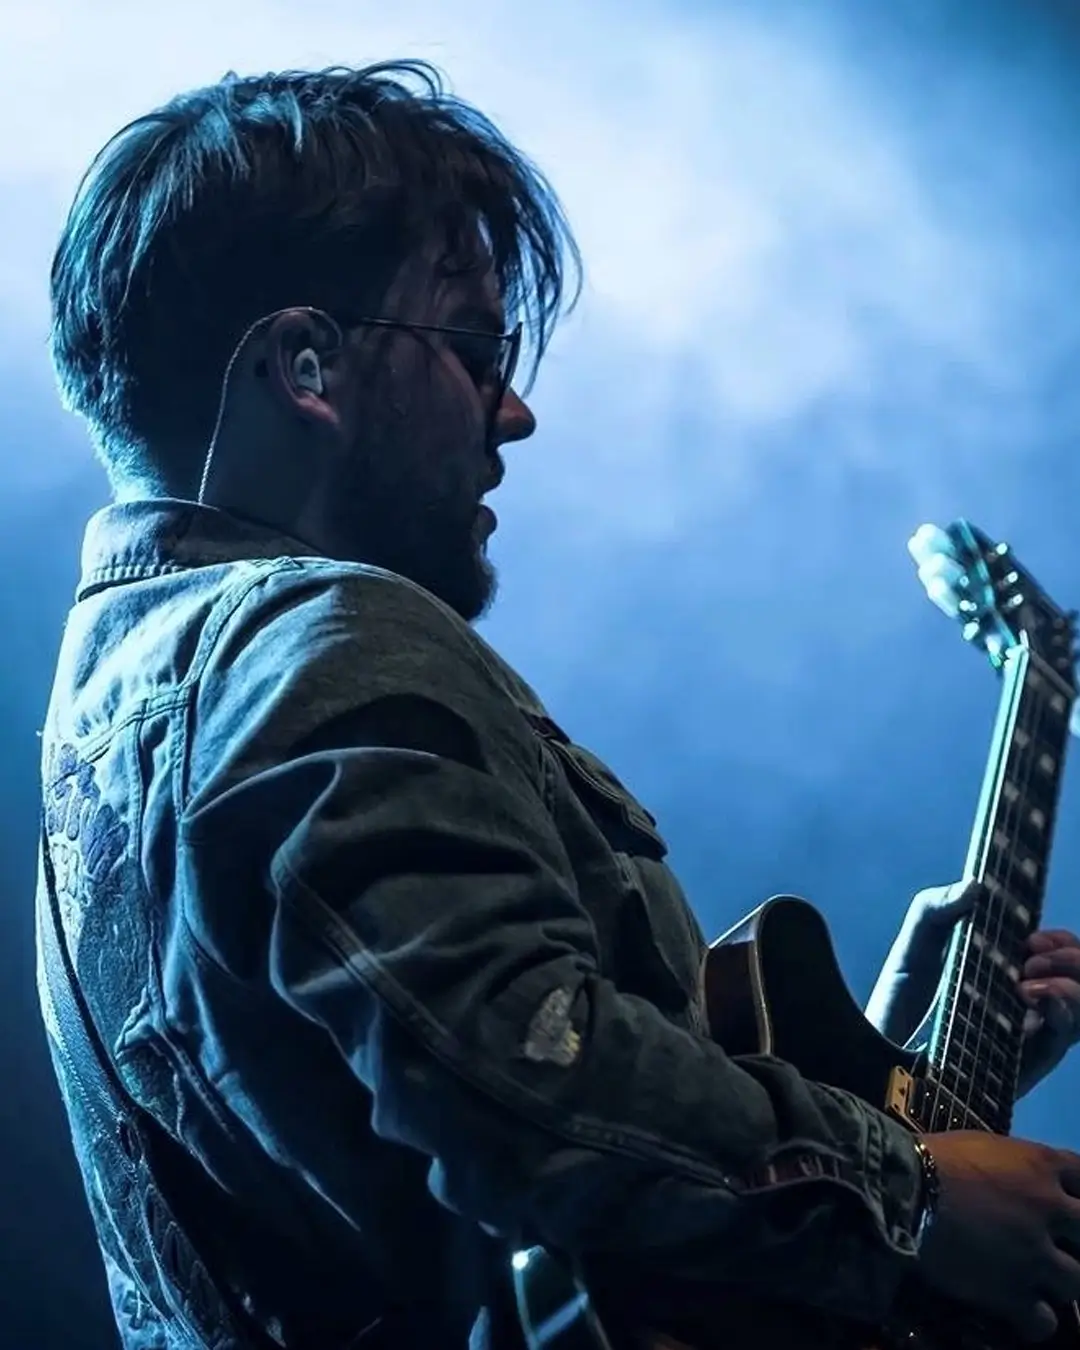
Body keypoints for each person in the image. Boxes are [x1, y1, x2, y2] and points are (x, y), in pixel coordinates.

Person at [39, 61, 1080, 1350]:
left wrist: (896, 1085)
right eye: (476, 348)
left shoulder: (120, 708)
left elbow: (493, 1180)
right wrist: (907, 1193)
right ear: (305, 366)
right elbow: (525, 1087)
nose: (516, 412)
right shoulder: (318, 637)